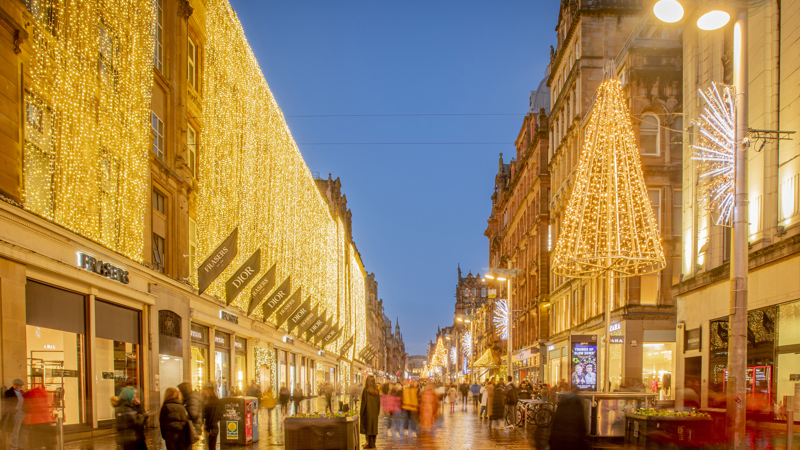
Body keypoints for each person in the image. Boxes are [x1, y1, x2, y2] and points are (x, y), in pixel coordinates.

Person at [24, 384, 57, 449]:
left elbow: (26, 409)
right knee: (49, 444)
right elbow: (43, 409)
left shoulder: (30, 396)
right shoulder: (41, 396)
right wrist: (51, 419)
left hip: (34, 424)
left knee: (36, 445)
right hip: (45, 423)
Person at [3, 379, 26, 450]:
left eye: (22, 386)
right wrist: (13, 411)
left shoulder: (22, 393)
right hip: (15, 414)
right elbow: (6, 404)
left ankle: (21, 447)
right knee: (15, 432)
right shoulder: (9, 393)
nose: (21, 387)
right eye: (20, 386)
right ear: (15, 385)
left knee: (23, 432)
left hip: (23, 414)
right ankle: (14, 448)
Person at [359, 376, 381, 449]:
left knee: (368, 428)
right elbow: (378, 402)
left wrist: (361, 412)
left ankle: (370, 443)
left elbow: (363, 403)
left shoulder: (366, 390)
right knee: (374, 428)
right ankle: (373, 443)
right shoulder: (376, 390)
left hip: (367, 412)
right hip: (374, 412)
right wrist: (377, 411)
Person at [202, 383, 223, 450]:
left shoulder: (210, 401)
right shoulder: (215, 400)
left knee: (210, 446)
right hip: (212, 426)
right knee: (211, 446)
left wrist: (211, 424)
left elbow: (205, 413)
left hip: (211, 427)